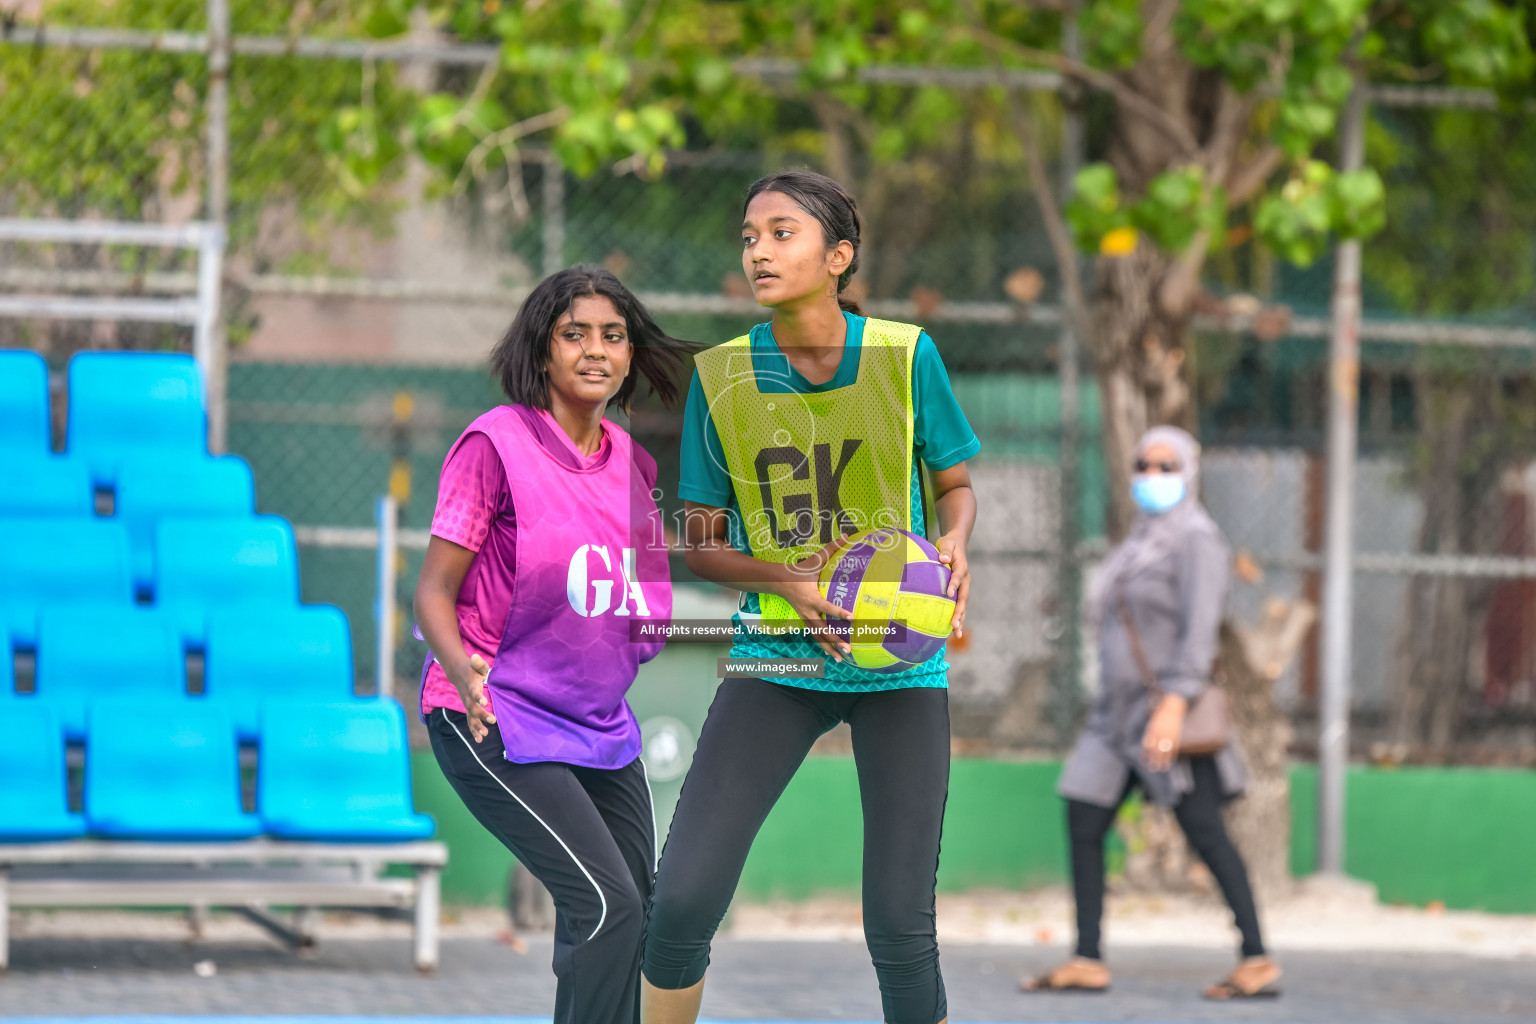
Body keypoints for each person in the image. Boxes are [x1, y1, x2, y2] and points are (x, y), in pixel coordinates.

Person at [640, 170, 978, 1024]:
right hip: (780, 652)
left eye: (781, 233)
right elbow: (704, 543)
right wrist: (790, 580)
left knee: (900, 926)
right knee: (679, 901)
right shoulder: (720, 377)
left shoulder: (905, 356)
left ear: (839, 256)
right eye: (749, 236)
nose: (758, 249)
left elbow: (956, 485)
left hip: (898, 657)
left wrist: (955, 542)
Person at [413, 266, 692, 1024]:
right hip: (491, 714)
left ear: (630, 357)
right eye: (575, 335)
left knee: (637, 915)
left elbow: (630, 599)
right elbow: (434, 589)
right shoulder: (495, 444)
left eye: (613, 336)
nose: (595, 350)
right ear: (543, 351)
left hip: (595, 727)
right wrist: (464, 674)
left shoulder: (632, 466)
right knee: (605, 905)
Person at [1024, 425, 1282, 1000]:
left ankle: (1257, 957)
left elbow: (1199, 631)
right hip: (1113, 718)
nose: (1153, 476)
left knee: (1205, 831)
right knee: (1084, 815)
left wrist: (1171, 708)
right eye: (1144, 464)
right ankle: (1087, 957)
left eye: (1167, 467)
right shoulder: (1139, 541)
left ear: (1190, 472)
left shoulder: (1197, 540)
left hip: (1168, 713)